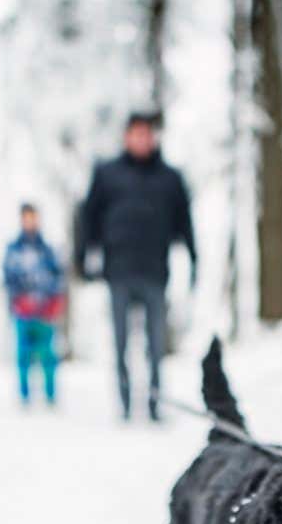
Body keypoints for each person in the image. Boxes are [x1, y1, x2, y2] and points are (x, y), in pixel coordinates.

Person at [77, 111, 197, 422]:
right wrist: (83, 258)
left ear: (153, 137)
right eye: (136, 133)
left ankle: (155, 404)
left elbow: (185, 221)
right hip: (118, 271)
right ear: (127, 136)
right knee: (121, 344)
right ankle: (126, 403)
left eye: (147, 134)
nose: (142, 139)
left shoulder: (170, 178)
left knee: (156, 346)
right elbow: (88, 218)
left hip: (156, 272)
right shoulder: (107, 174)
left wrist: (194, 259)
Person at [2, 203, 66, 406]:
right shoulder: (13, 250)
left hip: (45, 312)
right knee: (23, 355)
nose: (30, 221)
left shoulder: (48, 250)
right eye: (26, 217)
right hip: (23, 312)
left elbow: (58, 278)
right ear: (21, 219)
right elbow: (8, 280)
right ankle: (24, 396)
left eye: (33, 217)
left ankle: (50, 395)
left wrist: (54, 302)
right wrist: (18, 302)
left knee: (48, 356)